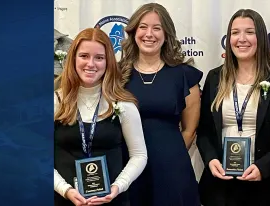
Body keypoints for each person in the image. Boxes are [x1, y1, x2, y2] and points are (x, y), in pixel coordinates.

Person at [118, 3, 202, 206]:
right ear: (133, 31)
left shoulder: (184, 74)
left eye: (157, 28)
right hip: (126, 168)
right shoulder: (116, 73)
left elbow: (190, 130)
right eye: (143, 27)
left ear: (166, 34)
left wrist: (169, 158)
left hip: (172, 169)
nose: (149, 34)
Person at [54, 27, 148, 206]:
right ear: (73, 58)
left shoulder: (124, 105)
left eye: (99, 58)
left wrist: (118, 187)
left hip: (112, 201)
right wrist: (65, 190)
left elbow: (139, 155)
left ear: (108, 62)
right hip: (64, 200)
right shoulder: (56, 102)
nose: (91, 64)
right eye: (84, 56)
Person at [196, 9, 270, 206]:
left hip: (263, 184)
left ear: (261, 37)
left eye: (249, 32)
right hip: (220, 184)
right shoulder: (215, 78)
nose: (241, 39)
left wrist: (265, 167)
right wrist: (211, 160)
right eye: (235, 32)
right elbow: (205, 131)